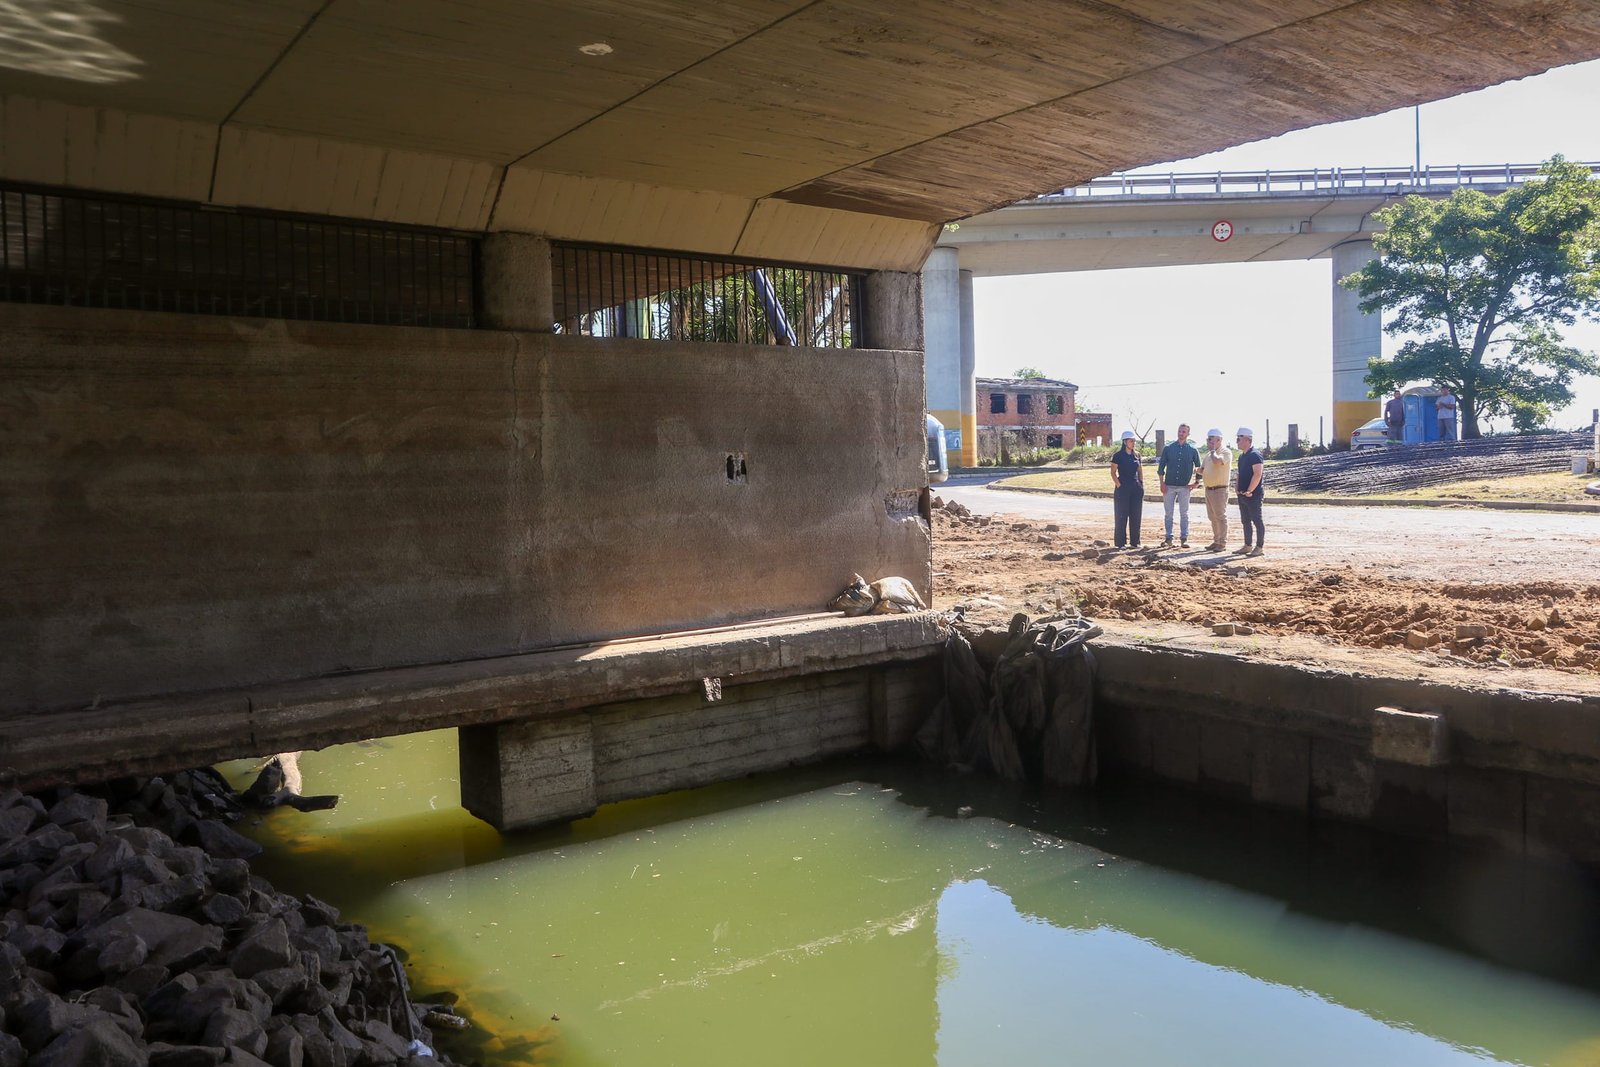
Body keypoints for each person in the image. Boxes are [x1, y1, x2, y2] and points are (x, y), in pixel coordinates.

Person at [1157, 423, 1201, 548]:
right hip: (1169, 486)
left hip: (1184, 487)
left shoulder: (1193, 450)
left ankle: (1184, 538)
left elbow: (1199, 467)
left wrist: (1196, 483)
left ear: (1188, 434)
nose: (1181, 433)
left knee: (1184, 513)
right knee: (1168, 514)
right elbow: (1161, 467)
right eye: (1180, 431)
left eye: (1184, 432)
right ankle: (1168, 538)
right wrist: (1162, 483)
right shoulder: (1168, 448)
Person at [1233, 427, 1265, 557]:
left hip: (1253, 494)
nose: (1237, 441)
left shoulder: (1255, 455)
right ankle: (1247, 545)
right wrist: (1237, 487)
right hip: (1242, 494)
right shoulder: (1242, 456)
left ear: (1247, 439)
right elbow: (1240, 473)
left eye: (1238, 439)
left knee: (1257, 520)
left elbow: (1257, 474)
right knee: (1245, 521)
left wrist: (1250, 490)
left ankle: (1259, 547)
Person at [1109, 430, 1144, 549]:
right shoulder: (1118, 456)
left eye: (1134, 441)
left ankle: (1135, 542)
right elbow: (1113, 473)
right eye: (1131, 441)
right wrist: (1119, 485)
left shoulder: (1137, 455)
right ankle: (1120, 543)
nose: (1133, 443)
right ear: (1125, 442)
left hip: (1136, 488)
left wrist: (1141, 483)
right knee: (1121, 515)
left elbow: (1140, 470)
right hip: (1122, 488)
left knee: (1136, 515)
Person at [1199, 428, 1231, 551]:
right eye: (1208, 439)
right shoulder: (1208, 455)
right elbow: (1202, 469)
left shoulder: (1225, 452)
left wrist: (1213, 451)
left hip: (1220, 490)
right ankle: (1216, 540)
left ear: (1219, 440)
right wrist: (1198, 470)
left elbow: (1217, 462)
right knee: (1212, 517)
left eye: (1211, 439)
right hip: (1209, 489)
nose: (1209, 442)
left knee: (1220, 516)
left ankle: (1222, 543)